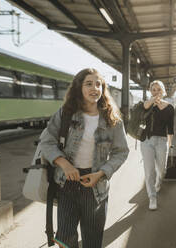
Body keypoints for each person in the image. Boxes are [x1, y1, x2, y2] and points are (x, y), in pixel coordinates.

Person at [40, 68, 129, 248]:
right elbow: (46, 141)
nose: (94, 88)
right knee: (65, 239)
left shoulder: (113, 119)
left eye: (99, 84)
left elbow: (121, 151)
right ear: (79, 87)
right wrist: (64, 164)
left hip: (96, 186)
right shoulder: (66, 113)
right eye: (89, 84)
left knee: (92, 240)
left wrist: (102, 173)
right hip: (67, 184)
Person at [141, 80, 174, 210]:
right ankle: (152, 197)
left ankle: (159, 181)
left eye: (158, 89)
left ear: (163, 91)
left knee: (162, 169)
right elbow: (143, 108)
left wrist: (170, 144)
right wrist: (152, 101)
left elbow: (170, 128)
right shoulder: (147, 105)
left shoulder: (170, 107)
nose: (156, 92)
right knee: (149, 171)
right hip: (147, 141)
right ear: (150, 91)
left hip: (162, 141)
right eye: (153, 89)